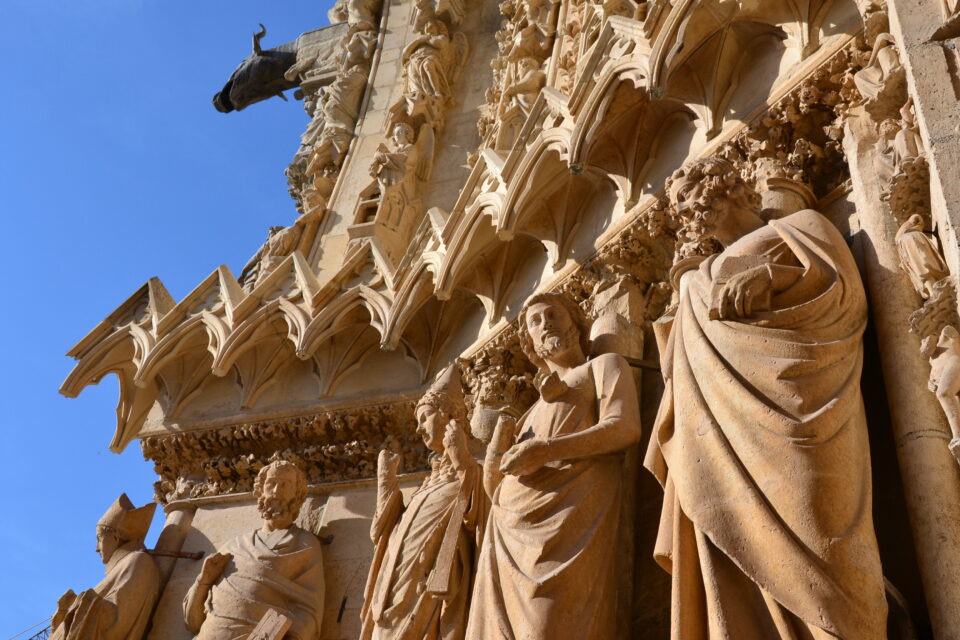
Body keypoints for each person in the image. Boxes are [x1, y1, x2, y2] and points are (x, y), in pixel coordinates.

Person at [645, 157, 888, 639]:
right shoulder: (698, 278)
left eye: (699, 193)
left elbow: (847, 298)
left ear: (735, 188)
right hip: (718, 434)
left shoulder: (802, 225)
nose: (692, 209)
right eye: (683, 206)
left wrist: (773, 277)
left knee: (825, 539)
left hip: (806, 406)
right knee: (734, 542)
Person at [466, 292, 641, 639]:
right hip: (510, 532)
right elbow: (497, 487)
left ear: (575, 323)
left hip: (568, 523)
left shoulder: (602, 367)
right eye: (535, 321)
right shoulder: (530, 413)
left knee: (551, 625)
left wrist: (545, 450)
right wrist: (496, 462)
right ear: (529, 342)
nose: (545, 323)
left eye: (553, 314)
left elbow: (625, 428)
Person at [360, 365, 486, 640]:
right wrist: (387, 483)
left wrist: (462, 460)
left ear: (449, 414)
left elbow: (484, 523)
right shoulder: (426, 485)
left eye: (425, 417)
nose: (418, 428)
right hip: (394, 589)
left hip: (431, 588)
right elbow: (384, 535)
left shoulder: (474, 471)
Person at [183, 460, 324, 640]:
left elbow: (310, 610)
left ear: (296, 495)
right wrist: (203, 581)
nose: (276, 491)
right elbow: (192, 622)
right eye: (271, 483)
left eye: (285, 485)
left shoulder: (304, 544)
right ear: (260, 489)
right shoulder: (234, 546)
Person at [51, 494, 160, 640]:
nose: (97, 548)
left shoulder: (139, 561)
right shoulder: (125, 565)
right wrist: (62, 616)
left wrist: (83, 603)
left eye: (99, 538)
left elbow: (116, 624)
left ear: (115, 537)